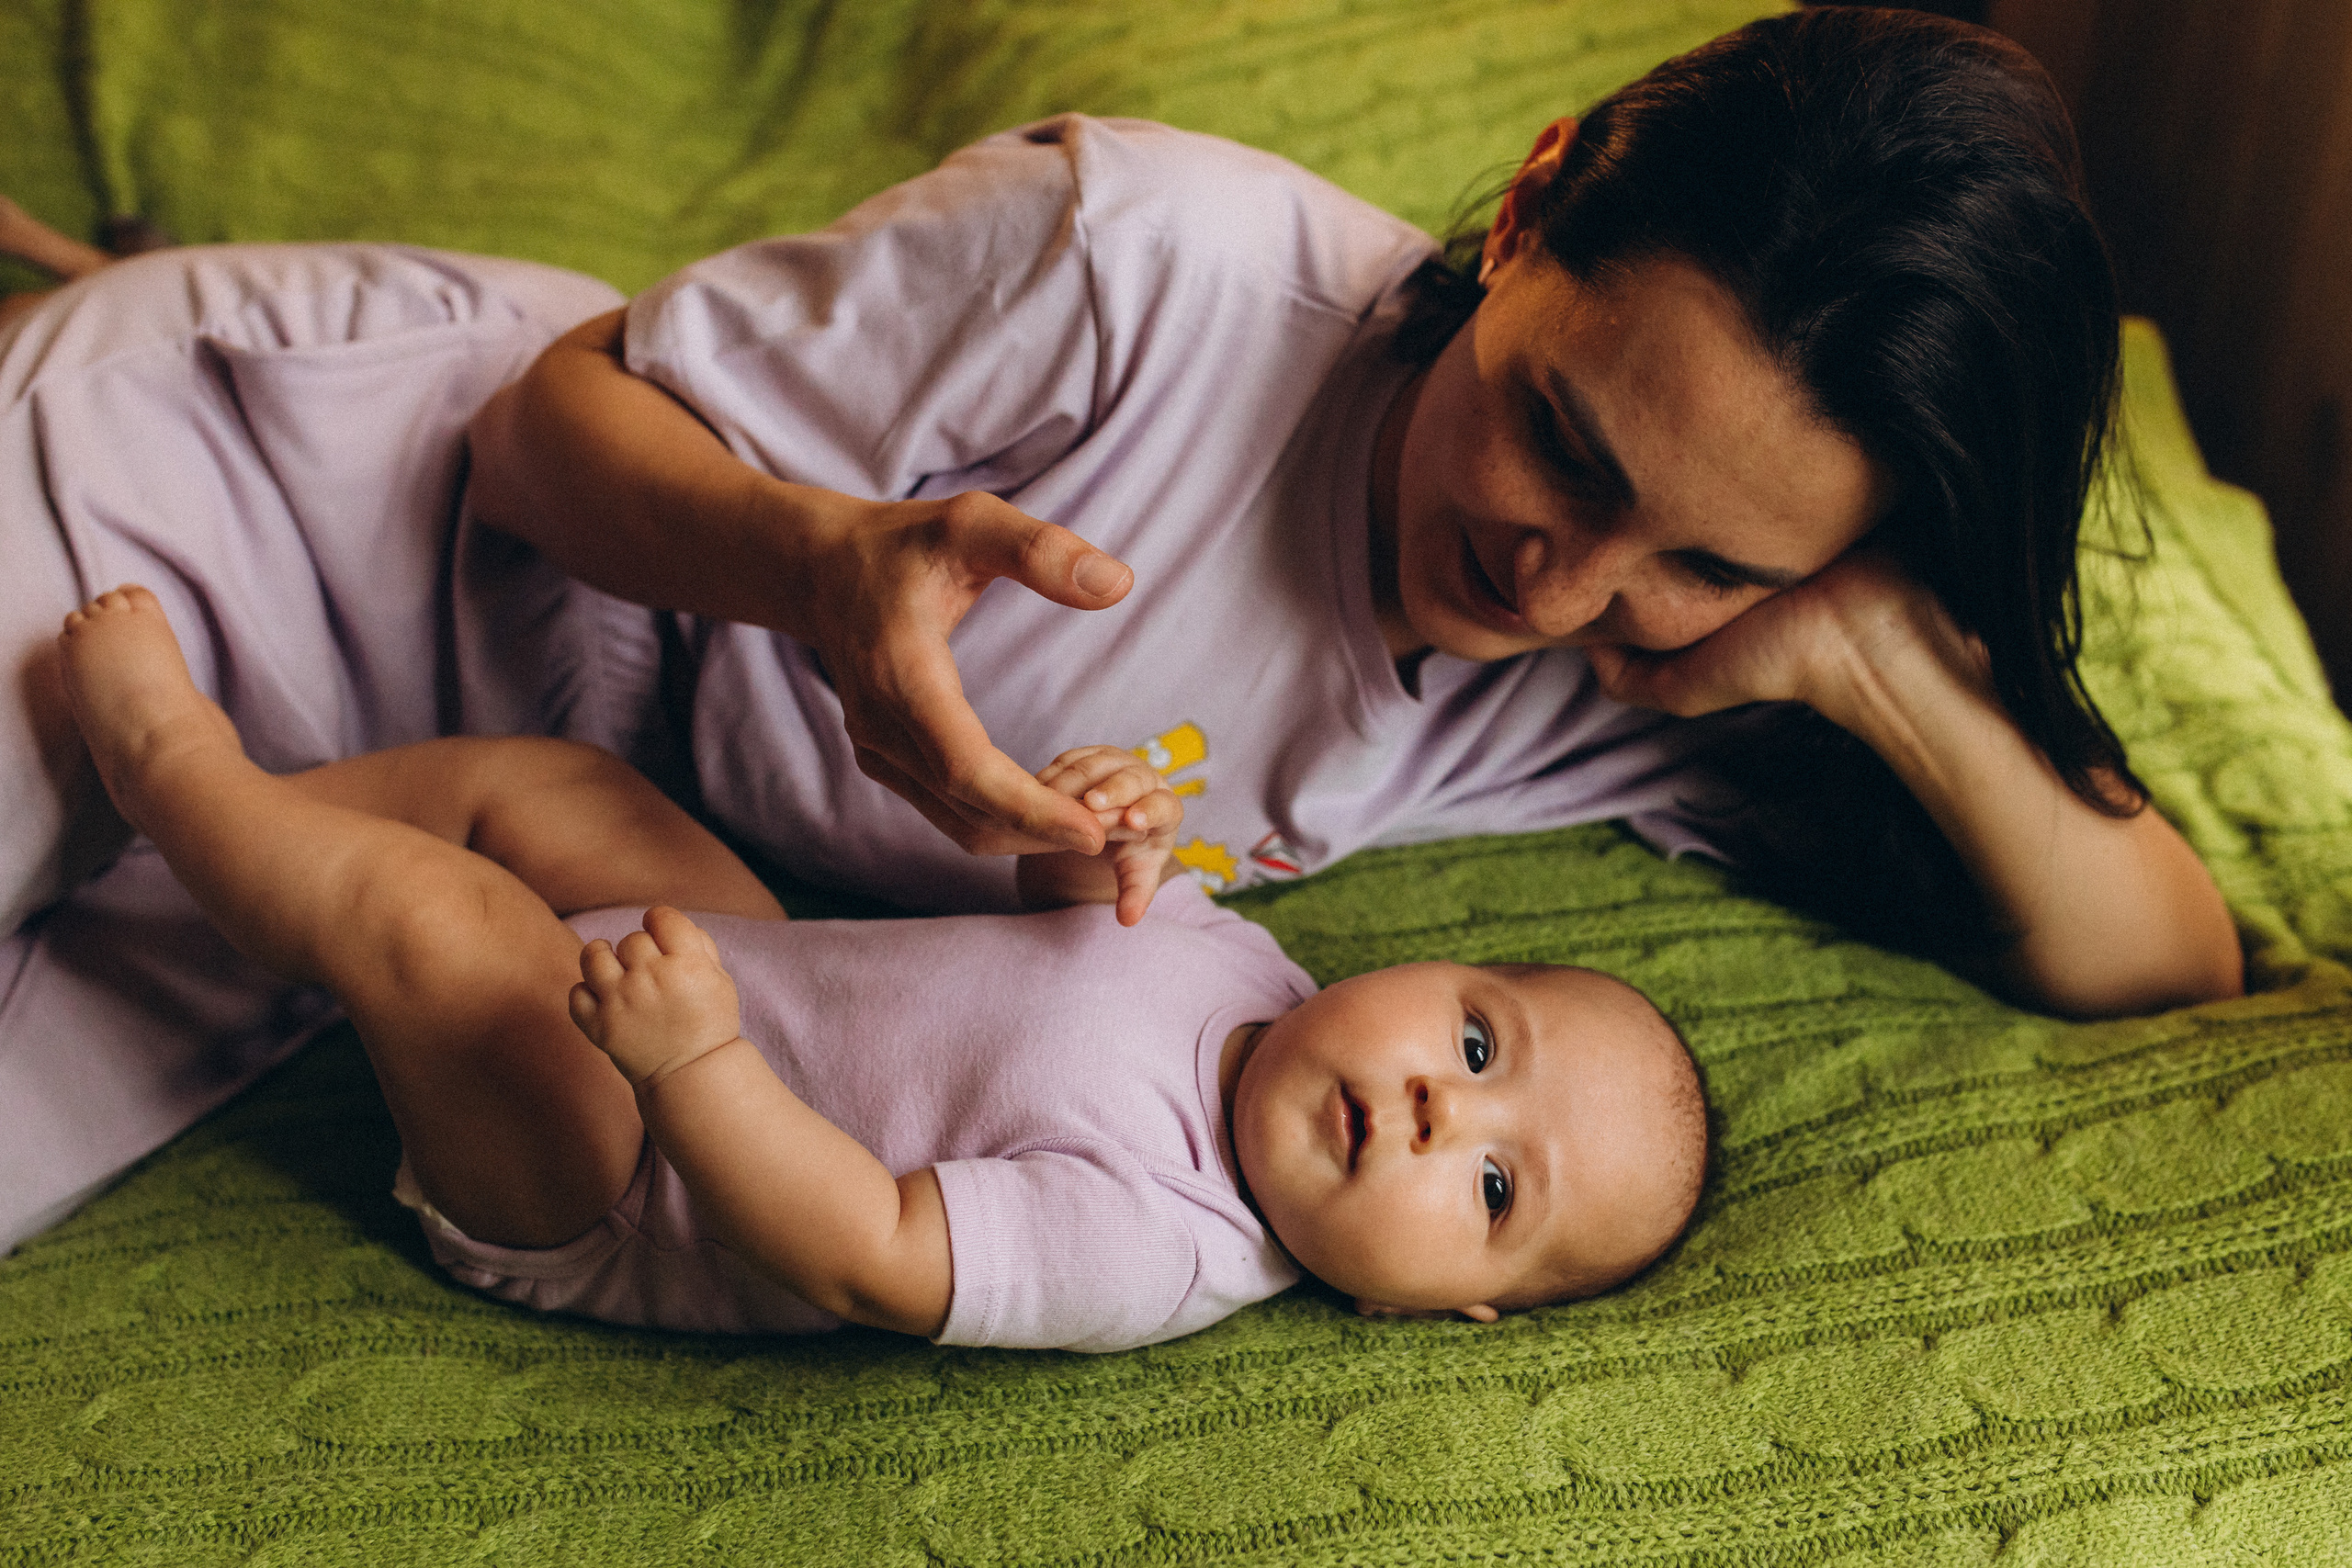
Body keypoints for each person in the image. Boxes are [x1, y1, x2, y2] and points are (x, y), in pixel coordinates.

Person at [0, 9, 2239, 1249]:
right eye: (1559, 437)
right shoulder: (1146, 258)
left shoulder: (1614, 672)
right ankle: (96, 314)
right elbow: (542, 435)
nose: (1557, 579)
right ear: (1536, 197)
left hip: (442, 882)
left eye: (1700, 553)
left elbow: (2154, 954)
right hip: (283, 522)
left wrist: (1851, 652)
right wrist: (812, 564)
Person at [55, 584, 1706, 1345]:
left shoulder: (1157, 1247)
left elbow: (863, 1253)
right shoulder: (1253, 967)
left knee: (443, 937)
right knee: (559, 796)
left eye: (1495, 1192)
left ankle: (164, 767)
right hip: (742, 971)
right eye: (1480, 1050)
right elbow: (1063, 911)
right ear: (1432, 973)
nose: (1436, 1116)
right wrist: (1096, 824)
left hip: (625, 1175)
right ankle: (240, 849)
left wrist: (691, 1067)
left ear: (1449, 1309)